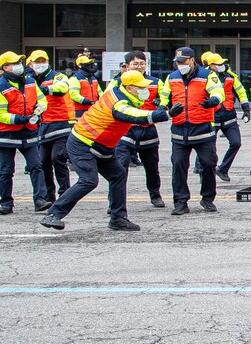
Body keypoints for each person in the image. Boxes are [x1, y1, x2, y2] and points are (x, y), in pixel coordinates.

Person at [39, 70, 173, 232]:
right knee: (88, 181)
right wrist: (165, 114)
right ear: (129, 87)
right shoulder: (120, 103)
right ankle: (53, 214)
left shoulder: (123, 95)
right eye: (141, 87)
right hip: (83, 143)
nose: (145, 90)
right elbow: (135, 116)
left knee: (118, 174)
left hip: (100, 145)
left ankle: (118, 218)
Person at [162, 46, 224, 215]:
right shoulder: (172, 77)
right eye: (178, 62)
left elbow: (219, 92)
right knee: (178, 166)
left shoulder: (207, 75)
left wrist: (213, 101)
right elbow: (164, 97)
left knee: (209, 164)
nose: (180, 65)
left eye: (183, 62)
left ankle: (207, 198)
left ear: (191, 60)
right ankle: (181, 202)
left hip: (203, 129)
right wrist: (164, 108)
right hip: (180, 130)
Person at [113, 51, 165, 207]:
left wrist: (161, 104)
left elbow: (167, 99)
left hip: (148, 130)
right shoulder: (117, 82)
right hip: (125, 131)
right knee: (120, 169)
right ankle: (115, 202)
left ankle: (155, 195)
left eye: (142, 63)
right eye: (136, 64)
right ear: (127, 66)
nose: (140, 66)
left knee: (152, 168)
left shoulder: (155, 82)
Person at [0, 51, 48, 213]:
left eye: (19, 62)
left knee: (36, 166)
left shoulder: (29, 81)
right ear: (5, 67)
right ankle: (6, 202)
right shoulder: (1, 86)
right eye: (14, 63)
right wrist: (21, 119)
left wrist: (39, 110)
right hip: (7, 135)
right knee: (6, 170)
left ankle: (40, 200)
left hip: (29, 132)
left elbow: (41, 99)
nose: (19, 66)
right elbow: (1, 115)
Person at [27, 51, 72, 205]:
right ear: (30, 64)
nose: (40, 63)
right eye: (37, 61)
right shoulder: (29, 79)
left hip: (60, 123)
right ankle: (48, 195)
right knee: (43, 162)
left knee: (57, 158)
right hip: (42, 125)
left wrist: (42, 90)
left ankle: (65, 193)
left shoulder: (57, 76)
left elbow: (62, 88)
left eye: (43, 60)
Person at [200, 53, 250, 183]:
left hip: (229, 115)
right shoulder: (203, 77)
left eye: (222, 63)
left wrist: (246, 109)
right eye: (219, 64)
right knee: (208, 148)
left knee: (236, 143)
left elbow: (241, 92)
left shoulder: (230, 77)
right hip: (212, 116)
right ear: (211, 66)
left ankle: (223, 169)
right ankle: (203, 172)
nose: (222, 66)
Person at [69, 53, 103, 121]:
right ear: (79, 65)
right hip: (80, 111)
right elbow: (73, 95)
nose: (89, 65)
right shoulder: (75, 78)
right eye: (87, 64)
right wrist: (87, 101)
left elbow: (100, 93)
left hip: (94, 109)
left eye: (89, 64)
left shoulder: (93, 79)